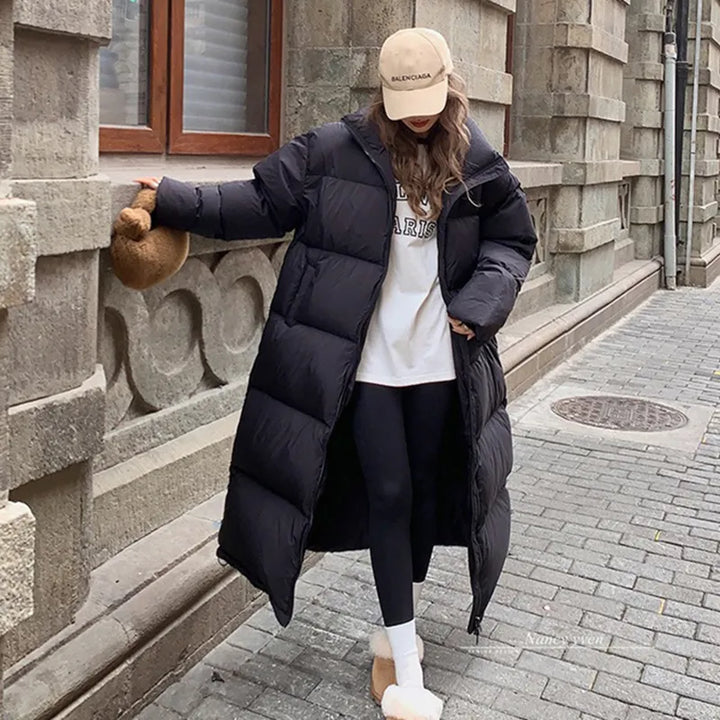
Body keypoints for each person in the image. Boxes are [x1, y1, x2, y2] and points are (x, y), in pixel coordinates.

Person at [133, 27, 536, 720]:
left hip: (442, 361)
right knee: (388, 493)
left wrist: (482, 302)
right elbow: (258, 202)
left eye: (430, 103)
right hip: (367, 362)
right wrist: (172, 197)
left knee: (420, 495)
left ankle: (394, 632)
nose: (418, 117)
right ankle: (405, 664)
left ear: (450, 89)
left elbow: (512, 239)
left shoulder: (477, 160)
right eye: (406, 104)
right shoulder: (333, 151)